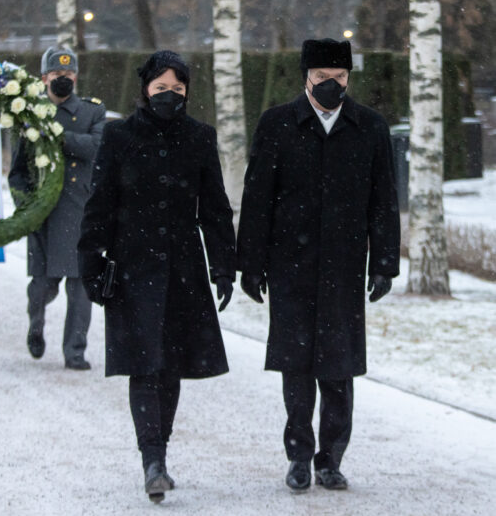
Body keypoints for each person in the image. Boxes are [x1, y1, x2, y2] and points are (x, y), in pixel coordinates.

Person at [236, 38, 400, 491]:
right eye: (323, 78)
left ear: (349, 78)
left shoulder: (369, 127)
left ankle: (331, 457)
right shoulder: (277, 125)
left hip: (345, 267)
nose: (332, 86)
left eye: (340, 78)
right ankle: (299, 455)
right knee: (296, 367)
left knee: (338, 368)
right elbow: (257, 199)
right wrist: (249, 263)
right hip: (290, 265)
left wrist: (384, 261)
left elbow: (384, 200)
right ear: (306, 77)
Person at [78, 50, 235, 503]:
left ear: (188, 92)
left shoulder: (200, 138)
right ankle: (153, 459)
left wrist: (223, 266)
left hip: (184, 267)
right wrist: (92, 260)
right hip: (133, 266)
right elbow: (100, 202)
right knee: (145, 365)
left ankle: (158, 454)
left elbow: (216, 207)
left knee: (171, 368)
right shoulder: (118, 136)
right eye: (161, 88)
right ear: (145, 89)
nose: (169, 96)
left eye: (178, 89)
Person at [8, 46, 106, 370]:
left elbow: (95, 147)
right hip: (43, 216)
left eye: (68, 74)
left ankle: (74, 351)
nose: (63, 79)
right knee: (42, 286)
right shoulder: (29, 114)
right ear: (44, 78)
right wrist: (25, 206)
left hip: (80, 212)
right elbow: (18, 172)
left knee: (80, 290)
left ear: (75, 77)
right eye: (56, 75)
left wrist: (56, 135)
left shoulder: (93, 112)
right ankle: (35, 325)